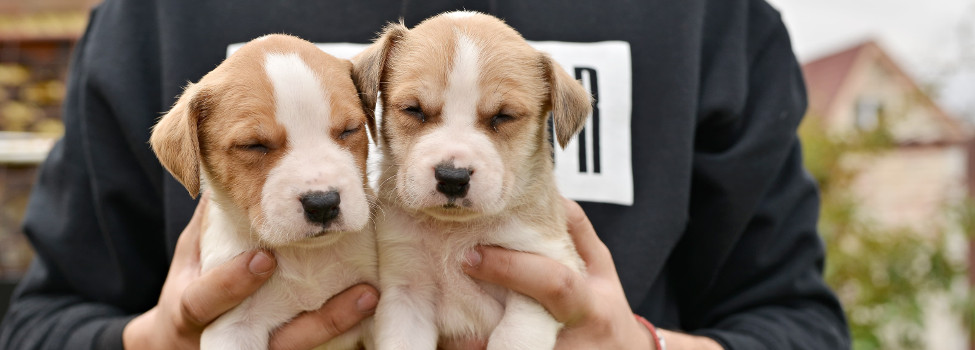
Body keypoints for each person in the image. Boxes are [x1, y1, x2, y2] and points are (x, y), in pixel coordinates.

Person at [0, 0, 850, 349]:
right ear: (379, 98)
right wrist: (155, 341)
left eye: (501, 120)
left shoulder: (714, 18)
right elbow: (37, 322)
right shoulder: (151, 18)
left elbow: (800, 324)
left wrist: (653, 347)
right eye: (409, 115)